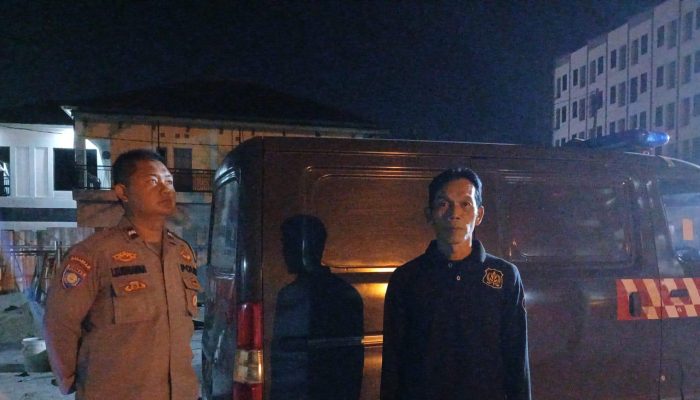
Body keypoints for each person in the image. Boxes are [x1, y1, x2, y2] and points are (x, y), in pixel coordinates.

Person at [44, 149, 201, 400]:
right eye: (152, 181)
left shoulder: (182, 253)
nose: (165, 189)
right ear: (122, 192)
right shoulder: (94, 253)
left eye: (169, 181)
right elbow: (60, 321)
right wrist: (74, 379)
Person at [380, 168, 531, 400]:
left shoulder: (504, 277)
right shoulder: (407, 279)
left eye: (465, 204)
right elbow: (393, 363)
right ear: (429, 214)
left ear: (479, 215)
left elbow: (517, 359)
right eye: (443, 204)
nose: (454, 213)